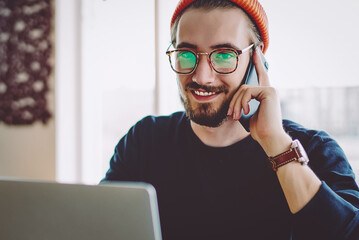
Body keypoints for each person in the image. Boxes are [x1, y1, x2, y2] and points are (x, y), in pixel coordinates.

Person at [102, 0, 359, 239]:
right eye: (187, 54)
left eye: (224, 55)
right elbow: (96, 226)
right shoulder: (144, 141)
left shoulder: (315, 150)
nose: (202, 77)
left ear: (256, 63)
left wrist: (277, 146)